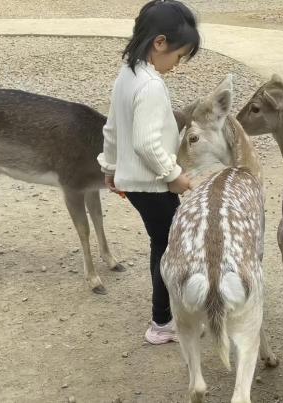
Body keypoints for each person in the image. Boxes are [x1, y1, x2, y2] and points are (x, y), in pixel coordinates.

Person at [97, 0, 200, 344]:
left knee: (163, 242)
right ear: (159, 43)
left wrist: (109, 167)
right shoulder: (152, 85)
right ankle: (162, 322)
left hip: (136, 182)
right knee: (168, 245)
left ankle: (166, 316)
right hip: (152, 184)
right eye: (179, 55)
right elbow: (146, 143)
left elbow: (112, 129)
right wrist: (174, 175)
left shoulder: (127, 74)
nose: (178, 64)